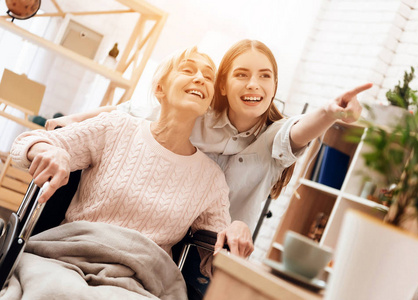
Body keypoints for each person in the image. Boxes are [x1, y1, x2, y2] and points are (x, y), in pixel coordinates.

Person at [45, 39, 371, 296]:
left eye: (265, 76)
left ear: (274, 86)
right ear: (223, 85)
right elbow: (132, 110)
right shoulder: (196, 113)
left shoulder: (275, 137)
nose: (254, 84)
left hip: (211, 253)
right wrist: (73, 122)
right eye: (241, 74)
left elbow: (299, 129)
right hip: (159, 238)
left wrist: (329, 113)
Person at [5, 46, 242, 299]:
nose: (200, 78)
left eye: (208, 77)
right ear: (159, 89)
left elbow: (217, 260)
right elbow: (24, 143)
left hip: (141, 283)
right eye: (188, 70)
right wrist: (51, 151)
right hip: (64, 260)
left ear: (208, 103)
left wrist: (236, 232)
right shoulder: (115, 127)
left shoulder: (211, 178)